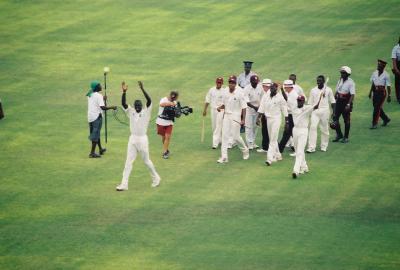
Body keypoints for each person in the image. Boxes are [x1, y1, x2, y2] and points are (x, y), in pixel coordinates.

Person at [116, 81, 161, 191]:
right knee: (128, 162)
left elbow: (149, 100)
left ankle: (156, 178)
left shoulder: (146, 112)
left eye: (139, 105)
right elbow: (123, 104)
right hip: (132, 139)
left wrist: (142, 89)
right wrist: (124, 92)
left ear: (142, 106)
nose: (137, 107)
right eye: (136, 106)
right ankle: (124, 184)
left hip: (142, 140)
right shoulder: (130, 111)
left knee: (146, 161)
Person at [217, 75, 250, 163]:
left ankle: (245, 150)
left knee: (236, 137)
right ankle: (224, 157)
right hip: (227, 116)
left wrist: (243, 119)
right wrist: (220, 107)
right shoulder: (225, 91)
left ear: (235, 84)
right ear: (228, 83)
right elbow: (225, 104)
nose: (231, 84)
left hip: (236, 116)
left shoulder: (240, 93)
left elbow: (244, 107)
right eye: (230, 83)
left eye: (233, 83)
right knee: (224, 136)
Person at [257, 83, 289, 166]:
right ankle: (278, 155)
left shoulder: (280, 97)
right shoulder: (266, 96)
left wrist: (287, 122)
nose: (272, 90)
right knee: (272, 138)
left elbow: (284, 110)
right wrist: (258, 118)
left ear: (277, 89)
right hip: (268, 119)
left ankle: (269, 159)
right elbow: (262, 107)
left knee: (272, 140)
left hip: (276, 119)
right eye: (271, 88)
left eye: (274, 88)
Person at [292, 95, 321, 179]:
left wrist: (320, 98)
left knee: (300, 151)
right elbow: (287, 99)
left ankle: (296, 170)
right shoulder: (294, 108)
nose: (299, 102)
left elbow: (316, 106)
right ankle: (304, 167)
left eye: (300, 100)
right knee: (298, 150)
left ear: (303, 101)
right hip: (295, 130)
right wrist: (283, 90)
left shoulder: (307, 108)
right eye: (298, 100)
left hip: (303, 131)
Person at [86, 80, 117, 158]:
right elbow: (103, 107)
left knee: (96, 133)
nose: (101, 86)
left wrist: (103, 99)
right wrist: (112, 107)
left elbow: (96, 101)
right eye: (99, 85)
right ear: (96, 87)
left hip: (90, 117)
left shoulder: (90, 94)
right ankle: (92, 153)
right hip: (97, 117)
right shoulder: (98, 96)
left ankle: (100, 149)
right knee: (95, 135)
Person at [306, 75, 335, 153]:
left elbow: (332, 101)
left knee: (324, 129)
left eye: (320, 81)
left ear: (324, 81)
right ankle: (311, 147)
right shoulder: (313, 90)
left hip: (325, 111)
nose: (318, 82)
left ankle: (324, 146)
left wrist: (334, 112)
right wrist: (311, 109)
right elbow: (309, 103)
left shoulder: (328, 90)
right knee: (312, 127)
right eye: (317, 81)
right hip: (315, 111)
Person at [332, 66, 355, 143]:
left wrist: (348, 104)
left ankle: (346, 137)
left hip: (346, 102)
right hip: (339, 101)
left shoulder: (351, 83)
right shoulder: (340, 80)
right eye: (341, 72)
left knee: (346, 120)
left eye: (343, 73)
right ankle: (339, 135)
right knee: (335, 117)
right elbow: (338, 89)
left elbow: (352, 95)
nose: (342, 74)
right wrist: (335, 96)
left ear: (348, 74)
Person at [203, 77, 226, 149]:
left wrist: (223, 109)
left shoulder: (224, 91)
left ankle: (215, 144)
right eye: (218, 82)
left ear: (222, 83)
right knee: (214, 126)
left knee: (219, 126)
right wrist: (205, 110)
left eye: (220, 82)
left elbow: (226, 102)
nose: (219, 84)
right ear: (216, 82)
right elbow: (207, 100)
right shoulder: (211, 90)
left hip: (221, 110)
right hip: (213, 110)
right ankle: (219, 140)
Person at [156, 90, 179, 159]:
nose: (175, 99)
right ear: (172, 96)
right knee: (164, 138)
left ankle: (165, 152)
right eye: (175, 97)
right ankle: (166, 149)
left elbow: (176, 113)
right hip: (160, 122)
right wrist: (170, 104)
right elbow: (161, 104)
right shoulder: (163, 99)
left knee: (167, 137)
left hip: (169, 123)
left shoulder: (175, 102)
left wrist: (178, 113)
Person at [369, 59, 391, 129]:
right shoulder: (374, 73)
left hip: (382, 93)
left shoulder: (386, 75)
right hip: (375, 92)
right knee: (377, 107)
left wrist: (389, 96)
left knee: (376, 108)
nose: (378, 66)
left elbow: (388, 86)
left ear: (383, 66)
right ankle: (386, 119)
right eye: (378, 65)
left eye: (379, 65)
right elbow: (373, 83)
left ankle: (374, 123)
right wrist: (370, 92)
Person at [243, 75, 263, 149]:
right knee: (248, 126)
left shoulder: (260, 87)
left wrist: (260, 108)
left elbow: (262, 98)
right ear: (251, 82)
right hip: (249, 109)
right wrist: (255, 108)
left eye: (256, 82)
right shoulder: (246, 88)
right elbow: (247, 102)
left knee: (255, 126)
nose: (255, 83)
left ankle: (253, 142)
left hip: (258, 109)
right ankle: (249, 143)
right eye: (254, 82)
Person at [278, 80, 298, 153]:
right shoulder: (290, 92)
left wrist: (282, 90)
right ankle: (280, 149)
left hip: (293, 116)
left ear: (289, 87)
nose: (285, 88)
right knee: (290, 133)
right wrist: (282, 90)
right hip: (290, 115)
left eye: (285, 87)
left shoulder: (294, 95)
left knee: (288, 133)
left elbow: (287, 101)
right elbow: (286, 99)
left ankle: (280, 150)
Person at [256, 79, 272, 153]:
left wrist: (258, 117)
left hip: (268, 117)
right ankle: (265, 147)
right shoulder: (267, 94)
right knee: (265, 132)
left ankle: (271, 149)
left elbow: (262, 107)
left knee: (268, 133)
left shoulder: (267, 95)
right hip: (267, 116)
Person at [391, 37, 400, 104]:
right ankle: (399, 97)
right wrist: (396, 69)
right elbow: (394, 60)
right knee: (398, 83)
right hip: (398, 65)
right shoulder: (396, 48)